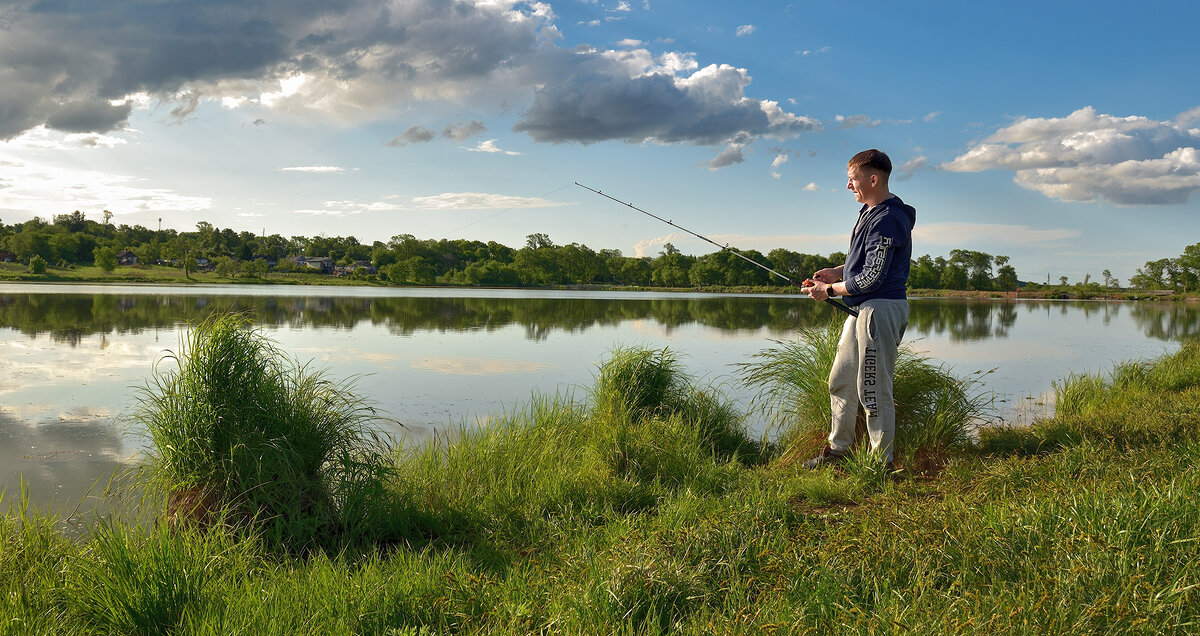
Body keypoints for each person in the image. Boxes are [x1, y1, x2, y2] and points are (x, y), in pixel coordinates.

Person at [801, 149, 915, 469]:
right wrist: (837, 273)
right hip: (864, 309)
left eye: (853, 179)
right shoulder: (870, 212)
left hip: (880, 309)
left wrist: (829, 291)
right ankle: (838, 452)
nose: (849, 186)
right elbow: (864, 265)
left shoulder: (889, 218)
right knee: (840, 379)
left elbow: (872, 277)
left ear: (873, 178)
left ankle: (880, 464)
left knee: (873, 389)